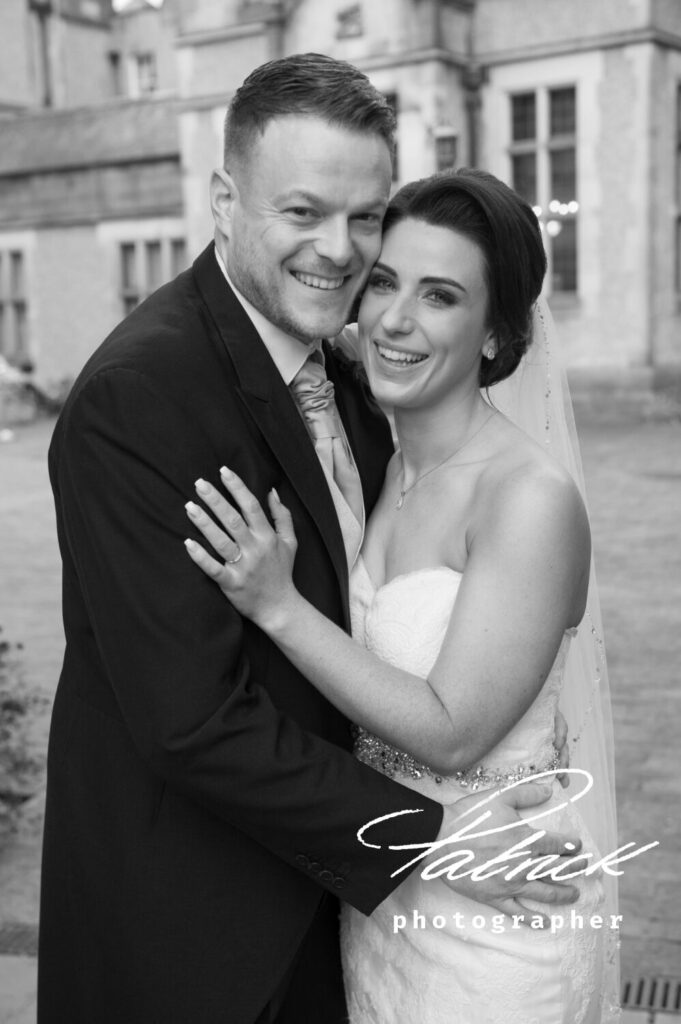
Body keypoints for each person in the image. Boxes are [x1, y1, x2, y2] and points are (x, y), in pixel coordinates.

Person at [42, 55, 580, 1024]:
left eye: (364, 217)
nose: (338, 251)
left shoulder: (358, 383)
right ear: (223, 200)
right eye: (301, 212)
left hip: (344, 918)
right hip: (199, 935)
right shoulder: (141, 397)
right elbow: (190, 721)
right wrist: (436, 841)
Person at [183, 169, 620, 1022]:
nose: (394, 318)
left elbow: (453, 732)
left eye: (440, 296)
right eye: (383, 281)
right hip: (386, 898)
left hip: (499, 915)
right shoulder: (376, 457)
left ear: (496, 334)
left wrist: (278, 607)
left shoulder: (526, 497)